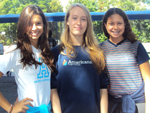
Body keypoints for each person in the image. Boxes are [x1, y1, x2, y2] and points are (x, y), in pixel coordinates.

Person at [0, 5, 61, 113]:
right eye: (29, 24)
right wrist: (11, 108)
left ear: (43, 25)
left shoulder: (45, 51)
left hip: (47, 109)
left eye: (38, 23)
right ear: (23, 26)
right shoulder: (16, 50)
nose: (34, 28)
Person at [51, 3, 109, 113]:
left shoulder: (97, 53)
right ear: (67, 21)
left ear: (88, 23)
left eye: (83, 19)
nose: (79, 23)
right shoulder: (56, 53)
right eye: (74, 18)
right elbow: (52, 90)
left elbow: (103, 89)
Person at [100, 8, 150, 113]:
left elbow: (148, 79)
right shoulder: (100, 49)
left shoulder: (136, 46)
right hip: (112, 104)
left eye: (119, 23)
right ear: (105, 24)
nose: (115, 27)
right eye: (111, 23)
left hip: (137, 103)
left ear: (125, 24)